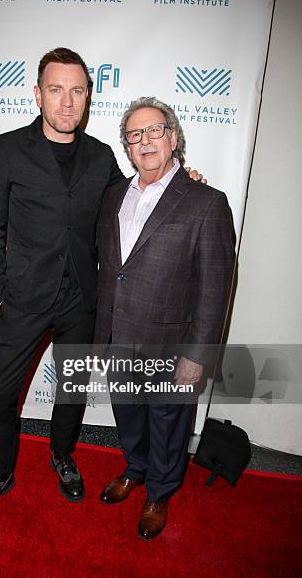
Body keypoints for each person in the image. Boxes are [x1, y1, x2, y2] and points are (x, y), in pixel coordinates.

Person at [0, 48, 203, 526]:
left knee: (71, 389)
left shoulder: (101, 156)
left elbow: (138, 194)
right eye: (56, 89)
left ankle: (62, 456)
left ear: (88, 96)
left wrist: (184, 182)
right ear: (38, 94)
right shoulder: (6, 149)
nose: (67, 102)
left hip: (81, 302)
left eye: (77, 90)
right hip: (23, 300)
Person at [94, 97, 235, 540]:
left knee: (169, 424)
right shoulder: (113, 194)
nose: (145, 141)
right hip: (119, 335)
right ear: (128, 148)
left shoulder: (206, 202)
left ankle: (160, 490)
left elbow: (215, 288)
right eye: (134, 135)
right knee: (128, 416)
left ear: (174, 138)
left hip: (171, 346)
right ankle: (135, 468)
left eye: (155, 130)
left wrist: (197, 357)